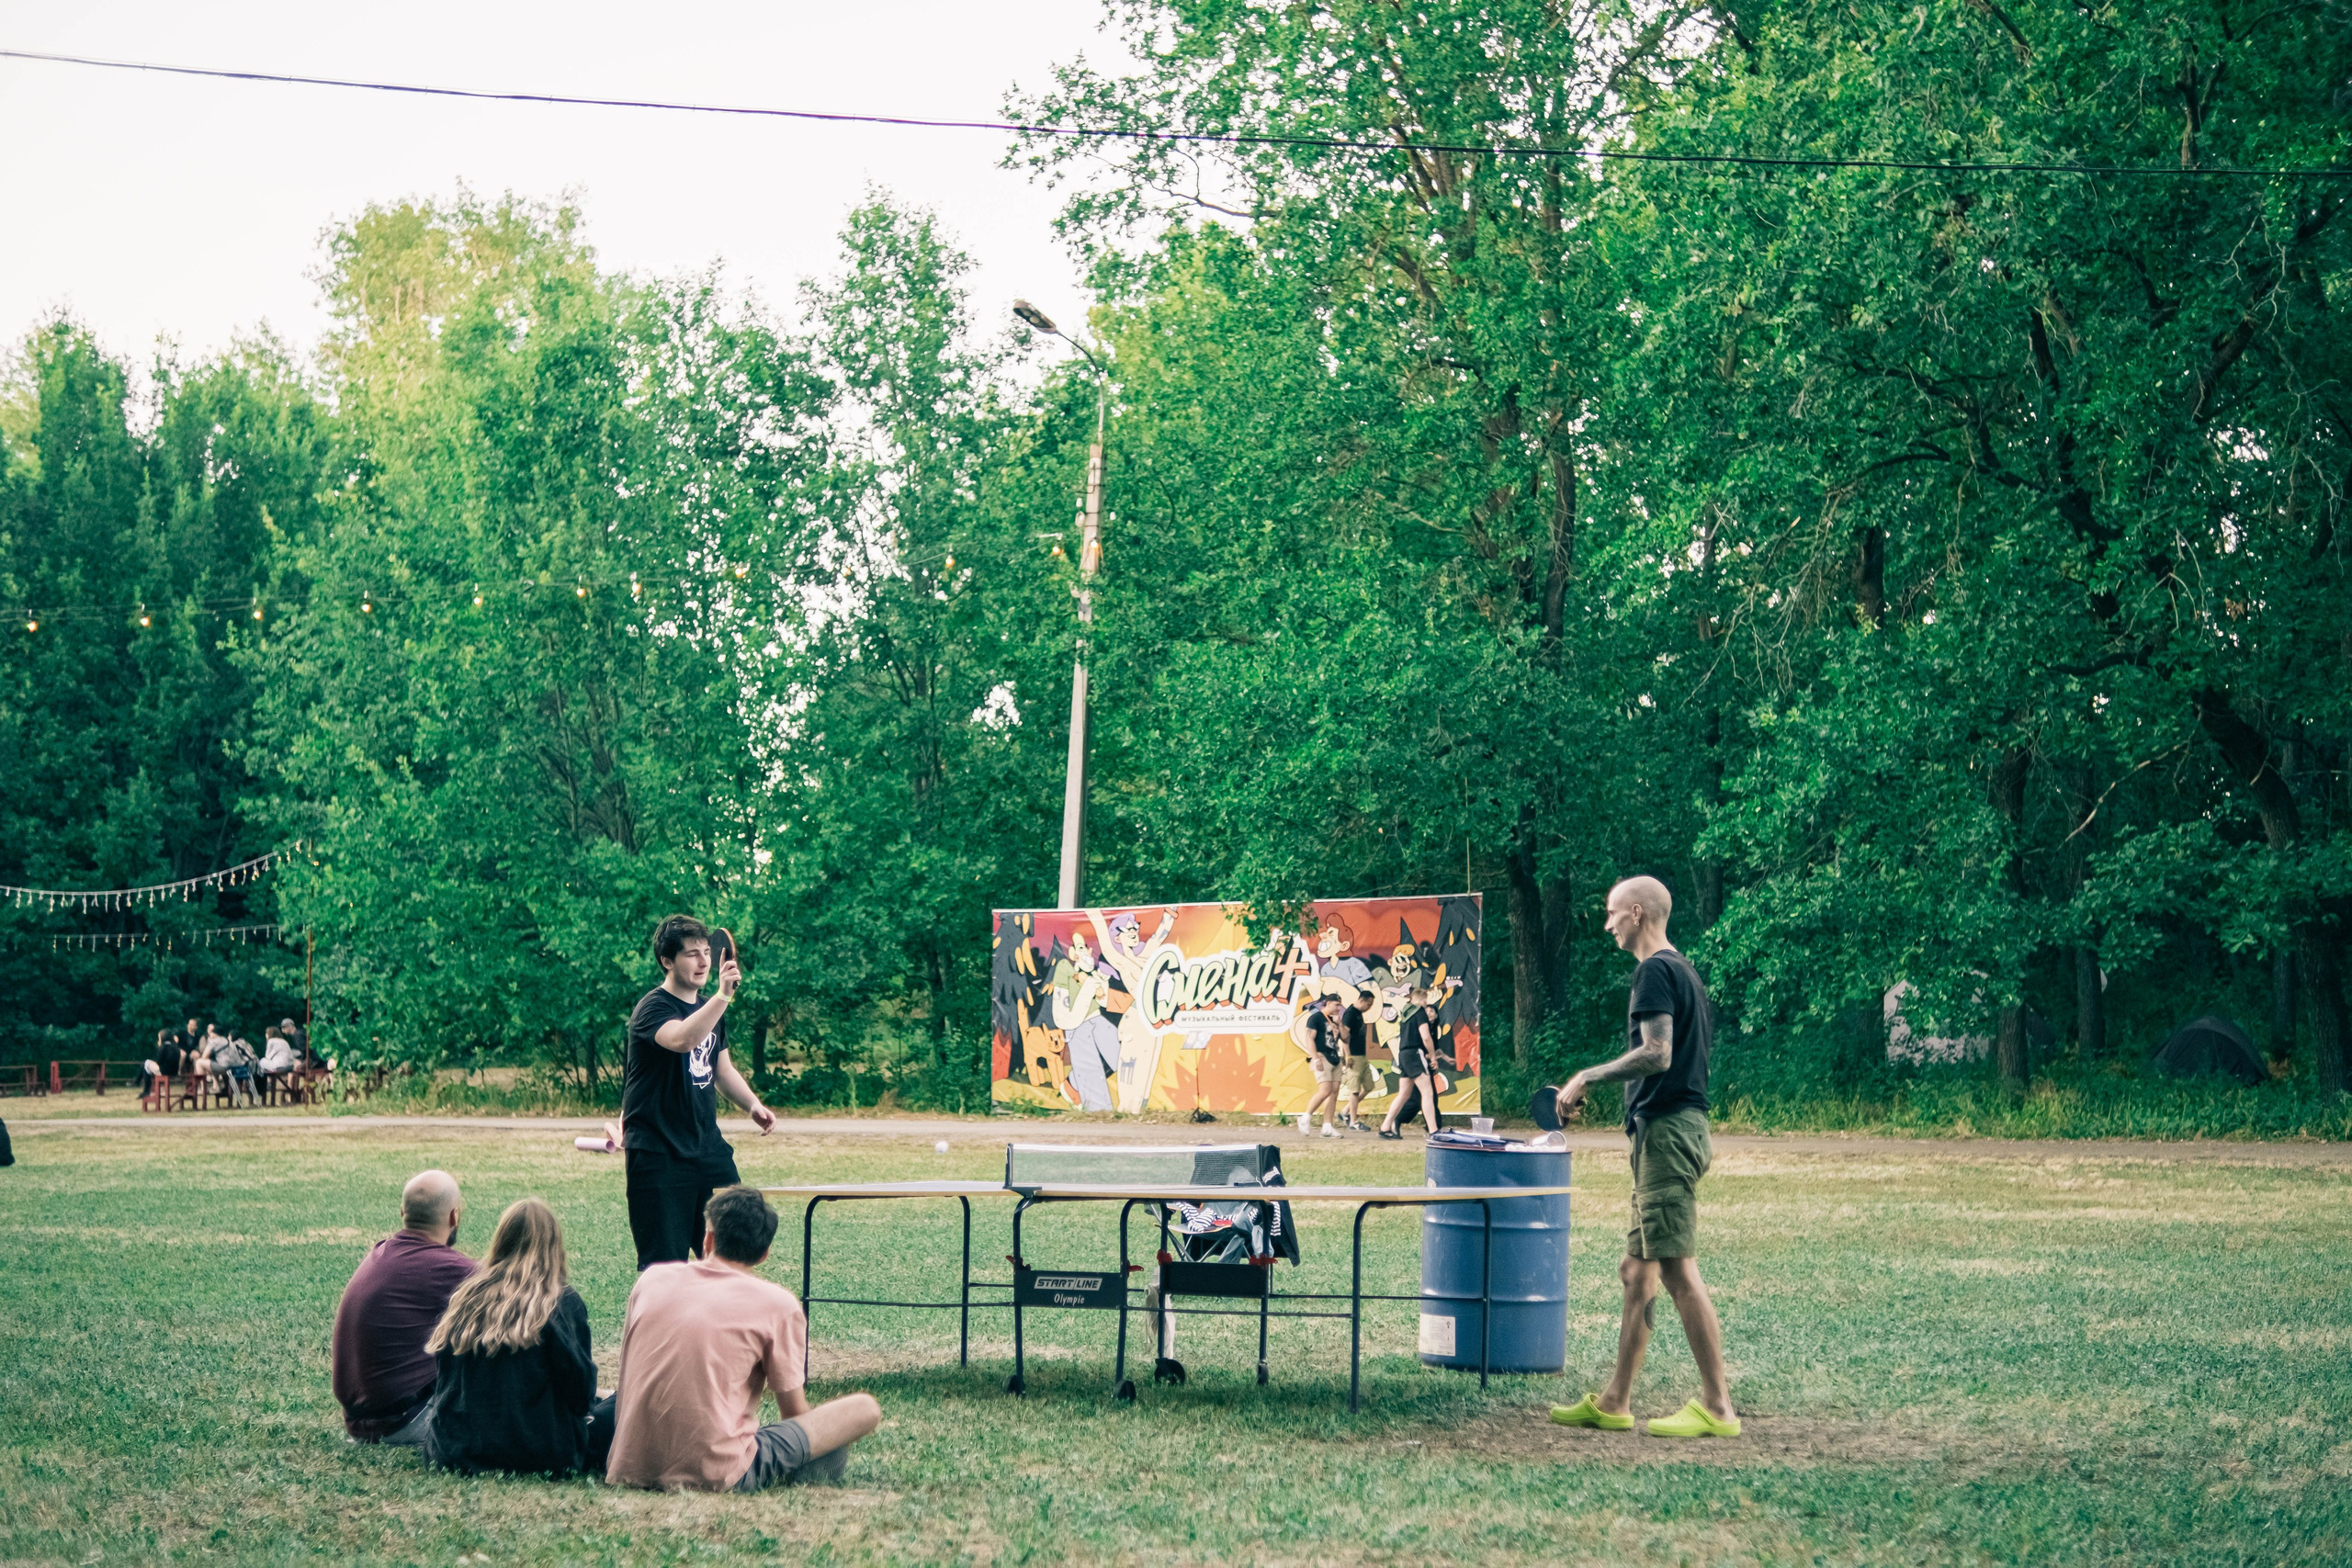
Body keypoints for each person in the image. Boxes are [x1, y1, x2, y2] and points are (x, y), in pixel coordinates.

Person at [1548, 875, 1739, 1439]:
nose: (1607, 924)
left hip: (1668, 1135)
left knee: (1677, 1268)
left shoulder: (1655, 970)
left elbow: (1657, 1054)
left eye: (1611, 914)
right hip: (1668, 1132)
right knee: (1638, 1272)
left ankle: (1718, 1406)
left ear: (1636, 913)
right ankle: (1614, 1401)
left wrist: (1586, 1076)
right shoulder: (1683, 969)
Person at [603, 1186, 881, 1492]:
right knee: (864, 1409)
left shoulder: (652, 1279)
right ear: (764, 1254)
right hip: (715, 1473)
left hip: (628, 1465)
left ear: (708, 1238)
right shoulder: (778, 1304)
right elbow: (794, 1415)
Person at [622, 915, 775, 1271]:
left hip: (708, 1152)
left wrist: (752, 1104)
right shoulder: (652, 1008)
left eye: (707, 952)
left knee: (734, 1252)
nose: (704, 961)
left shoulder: (711, 1008)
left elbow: (722, 1069)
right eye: (692, 954)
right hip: (658, 1154)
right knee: (664, 1268)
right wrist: (722, 996)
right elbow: (682, 1039)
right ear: (667, 961)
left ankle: (728, 1327)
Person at [421, 1198, 597, 1476]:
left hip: (457, 1449)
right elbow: (580, 1393)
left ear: (500, 1240)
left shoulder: (466, 1297)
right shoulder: (560, 1303)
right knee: (614, 1413)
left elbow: (445, 1378)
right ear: (554, 1246)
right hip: (539, 1452)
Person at [331, 1169, 478, 1443]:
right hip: (405, 1421)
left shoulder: (379, 1253)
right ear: (454, 1216)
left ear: (402, 1212)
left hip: (361, 1422)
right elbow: (516, 1297)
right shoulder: (451, 1268)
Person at [1377, 987, 1442, 1140]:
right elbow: (1426, 1037)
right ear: (1424, 1000)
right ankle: (1434, 1132)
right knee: (1427, 1093)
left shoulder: (1406, 1014)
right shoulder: (1420, 1012)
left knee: (1404, 1094)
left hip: (1403, 1055)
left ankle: (1385, 1126)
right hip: (1415, 1054)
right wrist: (1432, 1056)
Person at [1295, 994, 1342, 1137]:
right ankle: (1305, 1118)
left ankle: (1327, 1126)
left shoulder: (1334, 1021)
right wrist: (1315, 1058)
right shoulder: (1316, 1018)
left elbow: (1344, 1038)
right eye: (1336, 1005)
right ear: (1327, 1004)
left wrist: (1339, 1025)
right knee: (1325, 1090)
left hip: (1335, 1056)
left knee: (1334, 1092)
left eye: (1339, 1005)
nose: (1338, 1008)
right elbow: (1310, 1038)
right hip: (1322, 1056)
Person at [1338, 986, 1377, 1131]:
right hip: (1353, 1056)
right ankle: (1353, 1122)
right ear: (1362, 1000)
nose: (1369, 1007)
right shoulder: (1350, 1014)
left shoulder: (1359, 1014)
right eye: (1369, 1004)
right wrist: (1347, 1056)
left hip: (1362, 1056)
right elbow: (1344, 1036)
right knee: (1354, 1090)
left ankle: (1345, 1112)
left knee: (1369, 1086)